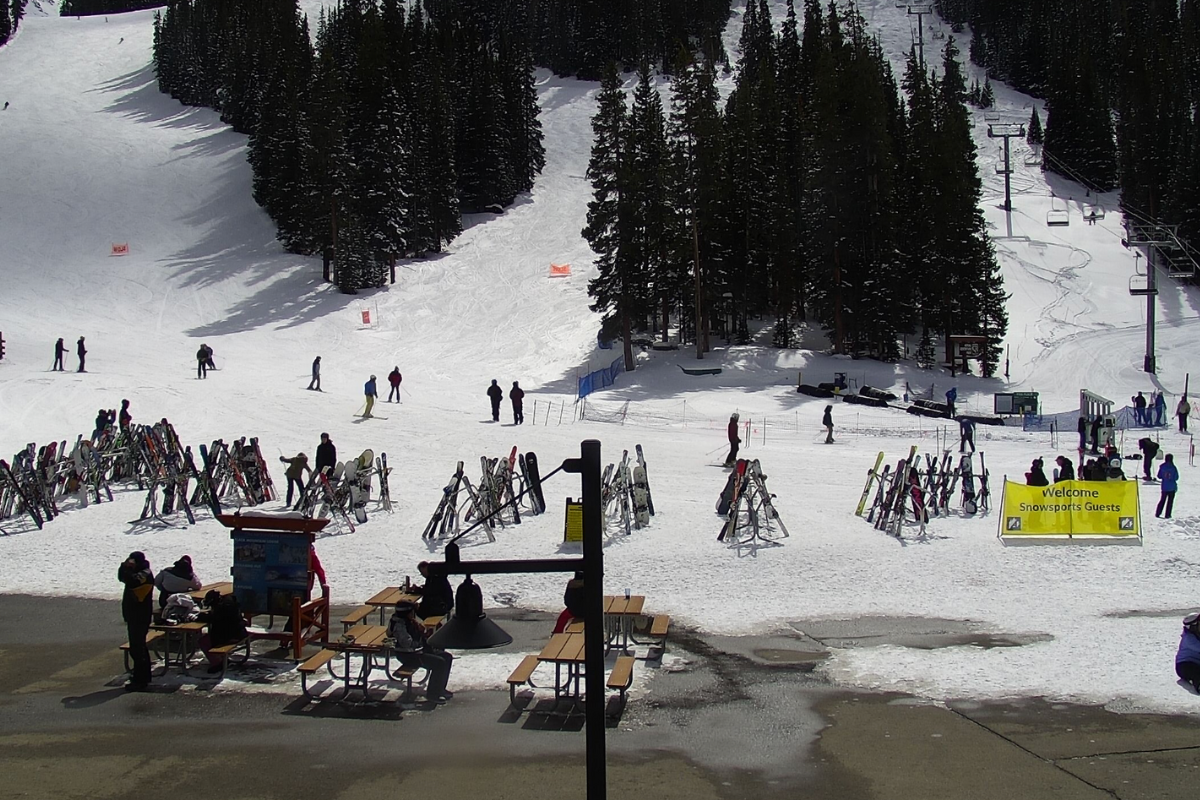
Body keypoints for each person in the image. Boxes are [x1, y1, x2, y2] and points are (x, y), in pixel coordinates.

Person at [387, 600, 454, 703]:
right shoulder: (399, 625)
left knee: (447, 657)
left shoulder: (410, 621)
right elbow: (407, 643)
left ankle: (440, 689)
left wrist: (425, 634)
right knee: (439, 663)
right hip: (408, 655)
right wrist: (420, 641)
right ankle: (433, 694)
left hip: (417, 652)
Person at [118, 551, 154, 691]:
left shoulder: (144, 573)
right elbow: (122, 578)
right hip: (134, 615)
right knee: (137, 647)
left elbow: (132, 581)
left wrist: (127, 569)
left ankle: (141, 679)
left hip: (140, 616)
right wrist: (124, 566)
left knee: (138, 649)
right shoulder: (136, 571)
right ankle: (142, 676)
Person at [197, 590, 248, 674]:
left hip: (232, 635)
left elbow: (213, 618)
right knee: (211, 637)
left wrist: (199, 617)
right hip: (239, 632)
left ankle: (218, 663)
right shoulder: (228, 603)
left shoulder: (223, 608)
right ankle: (221, 659)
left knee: (203, 641)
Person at [1175, 612, 1200, 693]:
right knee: (1196, 673)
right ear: (1193, 626)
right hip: (1184, 666)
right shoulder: (1189, 639)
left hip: (1197, 663)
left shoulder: (1197, 634)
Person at [1156, 453, 1178, 518]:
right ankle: (1167, 514)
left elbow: (1159, 476)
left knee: (1162, 500)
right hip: (1172, 487)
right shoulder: (1173, 467)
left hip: (1164, 487)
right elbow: (1176, 477)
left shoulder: (1162, 466)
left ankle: (1158, 513)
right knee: (1170, 502)